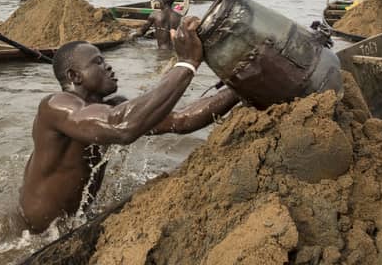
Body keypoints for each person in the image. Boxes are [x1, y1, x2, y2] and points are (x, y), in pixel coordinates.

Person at [18, 16, 240, 233]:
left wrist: (238, 85)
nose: (109, 67)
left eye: (105, 60)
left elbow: (181, 120)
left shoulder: (114, 108)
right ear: (75, 76)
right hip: (35, 232)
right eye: (98, 62)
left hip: (73, 222)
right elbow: (122, 128)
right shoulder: (55, 106)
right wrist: (187, 63)